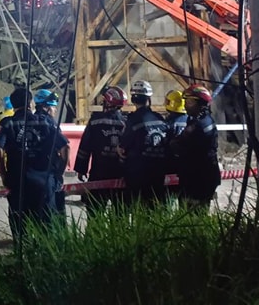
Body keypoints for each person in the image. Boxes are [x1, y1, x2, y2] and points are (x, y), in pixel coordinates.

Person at [0, 88, 66, 241]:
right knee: (46, 227)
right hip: (44, 182)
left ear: (12, 105)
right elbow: (66, 148)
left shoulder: (8, 123)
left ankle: (23, 259)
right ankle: (45, 258)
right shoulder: (45, 122)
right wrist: (58, 173)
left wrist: (4, 175)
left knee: (20, 229)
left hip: (18, 181)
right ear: (31, 103)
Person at [74, 86, 127, 217]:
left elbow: (85, 146)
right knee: (121, 216)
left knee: (95, 214)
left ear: (107, 102)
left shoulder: (95, 121)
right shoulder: (127, 122)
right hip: (120, 175)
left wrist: (81, 169)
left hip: (99, 173)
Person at [118, 80, 169, 206]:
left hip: (137, 174)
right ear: (148, 98)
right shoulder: (159, 118)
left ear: (133, 99)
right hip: (158, 172)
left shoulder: (132, 120)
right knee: (156, 209)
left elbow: (123, 147)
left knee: (138, 209)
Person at [171, 85, 221, 213]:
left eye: (189, 102)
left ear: (199, 103)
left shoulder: (197, 126)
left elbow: (178, 144)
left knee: (191, 214)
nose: (186, 105)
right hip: (205, 175)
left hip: (197, 178)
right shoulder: (206, 120)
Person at [33, 89, 69, 219]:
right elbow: (65, 148)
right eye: (53, 107)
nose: (54, 110)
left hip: (30, 172)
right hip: (49, 171)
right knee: (52, 211)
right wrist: (60, 171)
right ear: (45, 107)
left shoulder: (29, 121)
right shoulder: (50, 123)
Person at [163, 89, 188, 200]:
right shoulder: (190, 120)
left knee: (168, 198)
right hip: (185, 165)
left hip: (170, 164)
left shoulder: (168, 123)